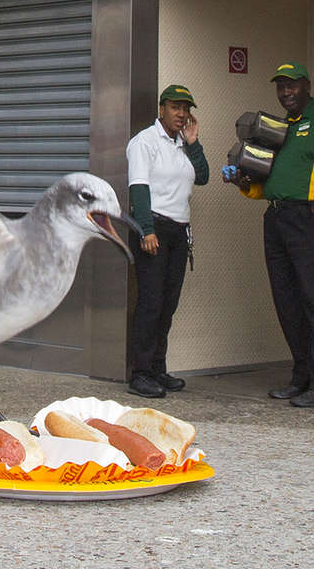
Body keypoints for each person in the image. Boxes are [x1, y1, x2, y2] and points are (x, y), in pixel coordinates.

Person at [225, 61, 314, 408]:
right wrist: (243, 185)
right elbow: (263, 188)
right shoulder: (278, 130)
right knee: (287, 303)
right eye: (281, 87)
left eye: (292, 85)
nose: (286, 92)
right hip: (278, 218)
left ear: (307, 86)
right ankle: (303, 377)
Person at [125, 84, 209, 399]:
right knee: (151, 303)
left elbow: (202, 176)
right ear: (162, 109)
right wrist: (146, 230)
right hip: (153, 229)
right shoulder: (144, 142)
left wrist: (193, 143)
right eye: (176, 107)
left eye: (186, 109)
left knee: (168, 304)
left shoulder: (181, 143)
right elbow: (139, 187)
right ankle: (141, 373)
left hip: (178, 232)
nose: (182, 114)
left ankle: (158, 369)